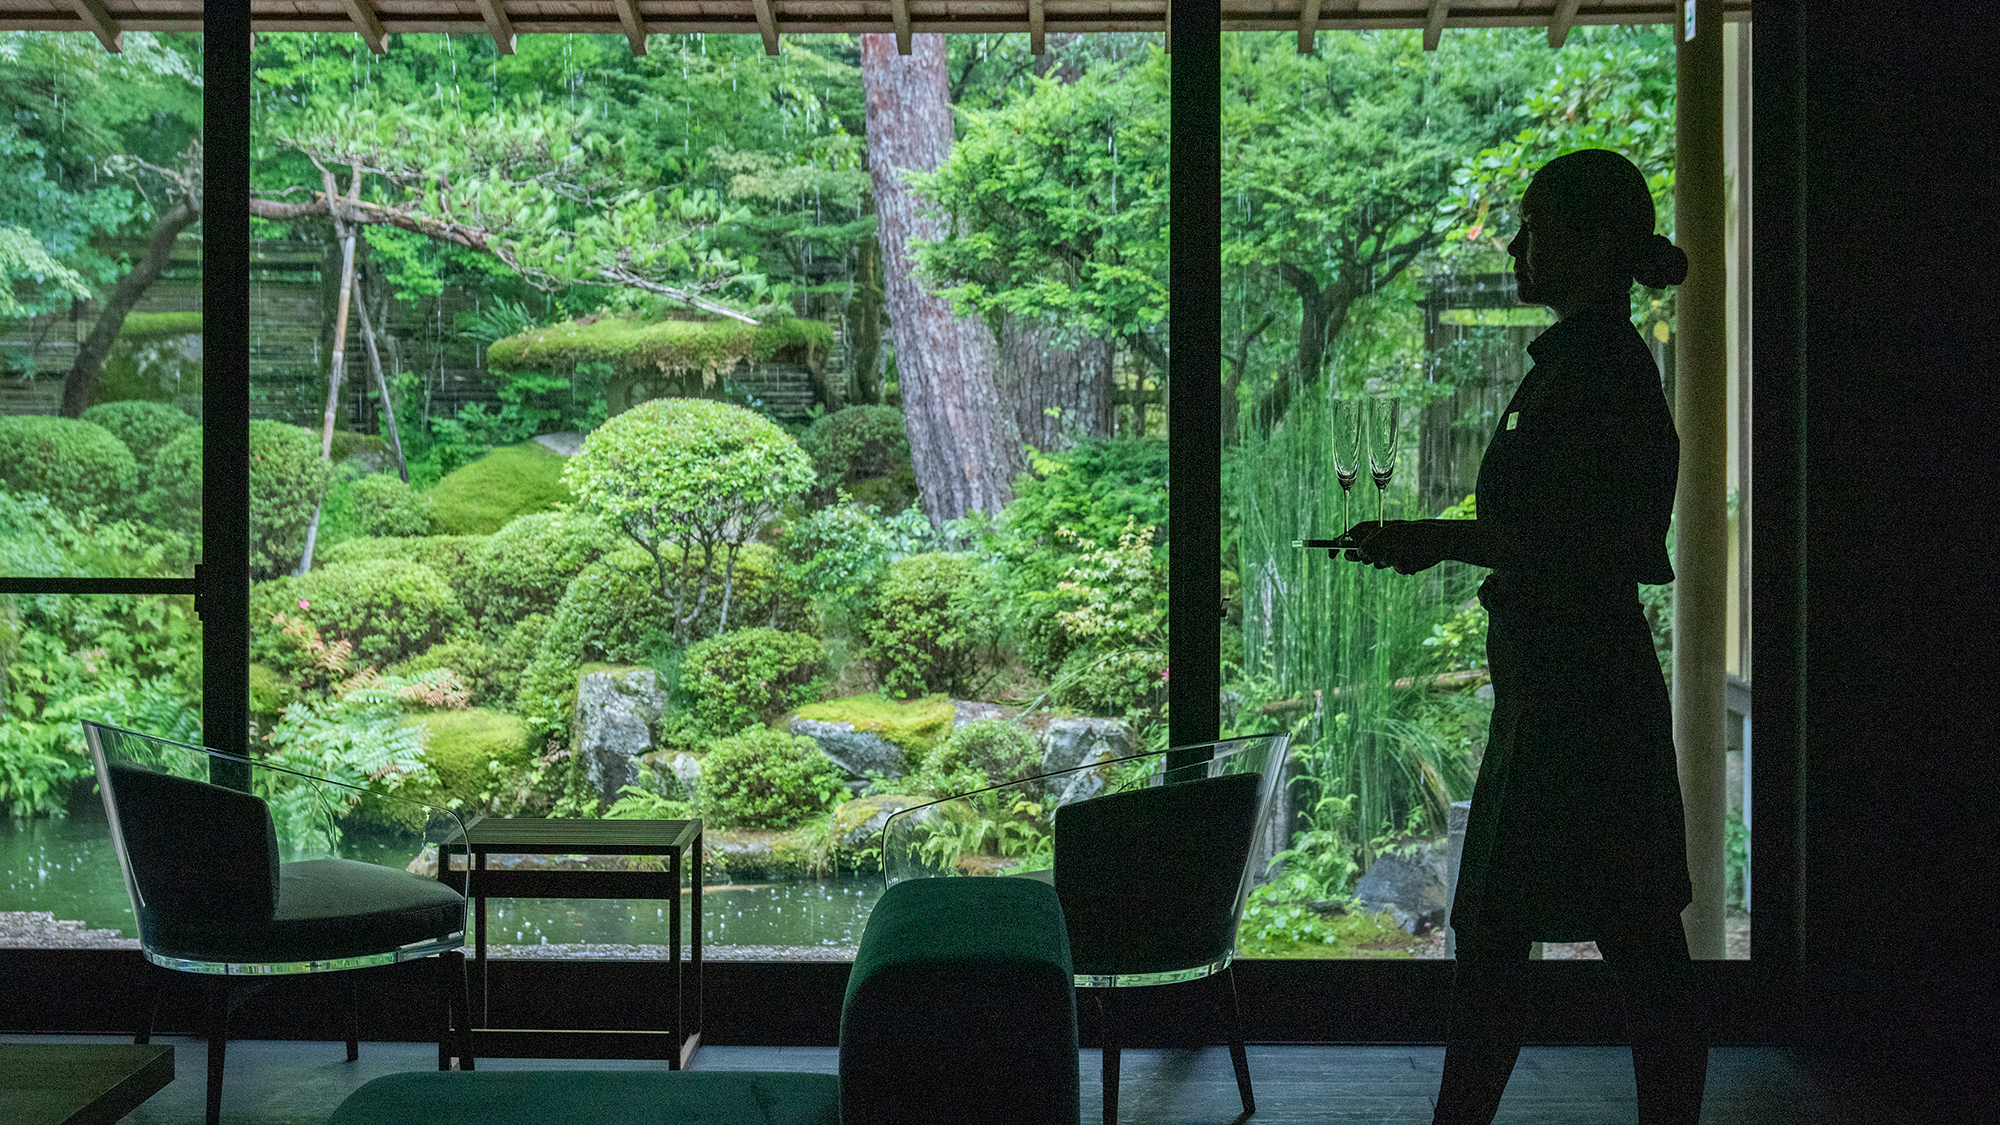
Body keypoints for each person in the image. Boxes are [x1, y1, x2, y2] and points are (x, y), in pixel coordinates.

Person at [1342, 148, 1708, 1125]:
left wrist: (1436, 537)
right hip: (1568, 684)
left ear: (1590, 246)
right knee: (1607, 934)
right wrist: (1445, 539)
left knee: (1544, 936)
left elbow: (1581, 540)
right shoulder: (1585, 368)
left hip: (1572, 693)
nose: (1514, 244)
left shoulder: (1597, 377)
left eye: (1534, 226)